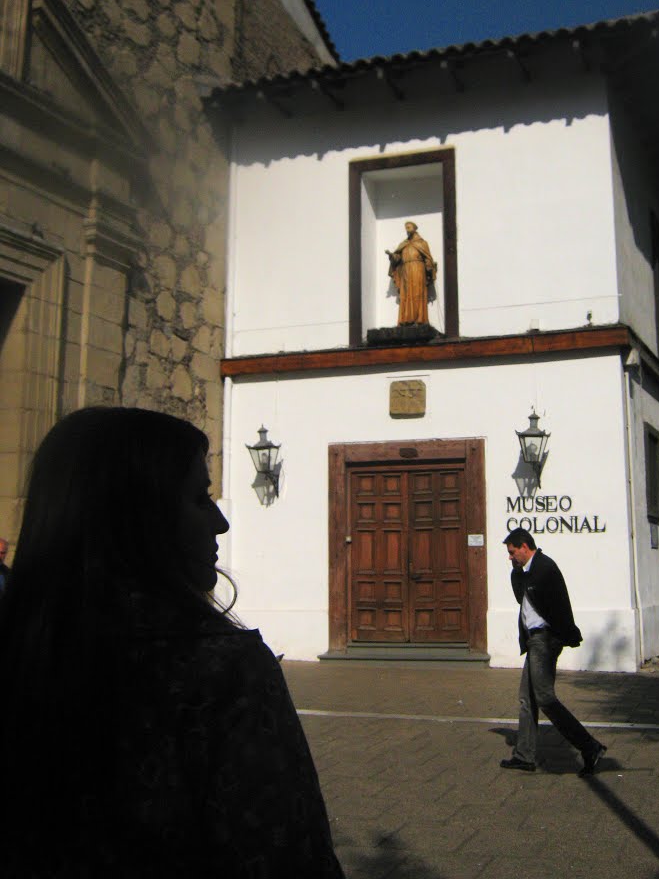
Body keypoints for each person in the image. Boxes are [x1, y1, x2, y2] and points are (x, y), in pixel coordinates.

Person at [0, 406, 345, 878]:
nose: (220, 523)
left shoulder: (21, 653)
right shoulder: (219, 669)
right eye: (200, 499)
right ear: (138, 516)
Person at [500, 527, 606, 776]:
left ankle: (589, 746)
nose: (510, 557)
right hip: (533, 640)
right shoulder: (524, 573)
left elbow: (560, 606)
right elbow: (522, 600)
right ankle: (524, 756)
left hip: (545, 640)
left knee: (545, 697)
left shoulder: (546, 569)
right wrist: (517, 572)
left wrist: (561, 637)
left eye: (512, 552)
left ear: (524, 547)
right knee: (527, 698)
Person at [385, 220, 437, 325]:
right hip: (405, 271)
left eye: (408, 227)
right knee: (406, 293)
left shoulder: (422, 243)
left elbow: (427, 258)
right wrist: (391, 255)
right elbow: (397, 259)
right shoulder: (403, 244)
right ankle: (406, 319)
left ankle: (419, 319)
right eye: (406, 227)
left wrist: (429, 267)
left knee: (417, 292)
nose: (407, 229)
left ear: (414, 228)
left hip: (418, 269)